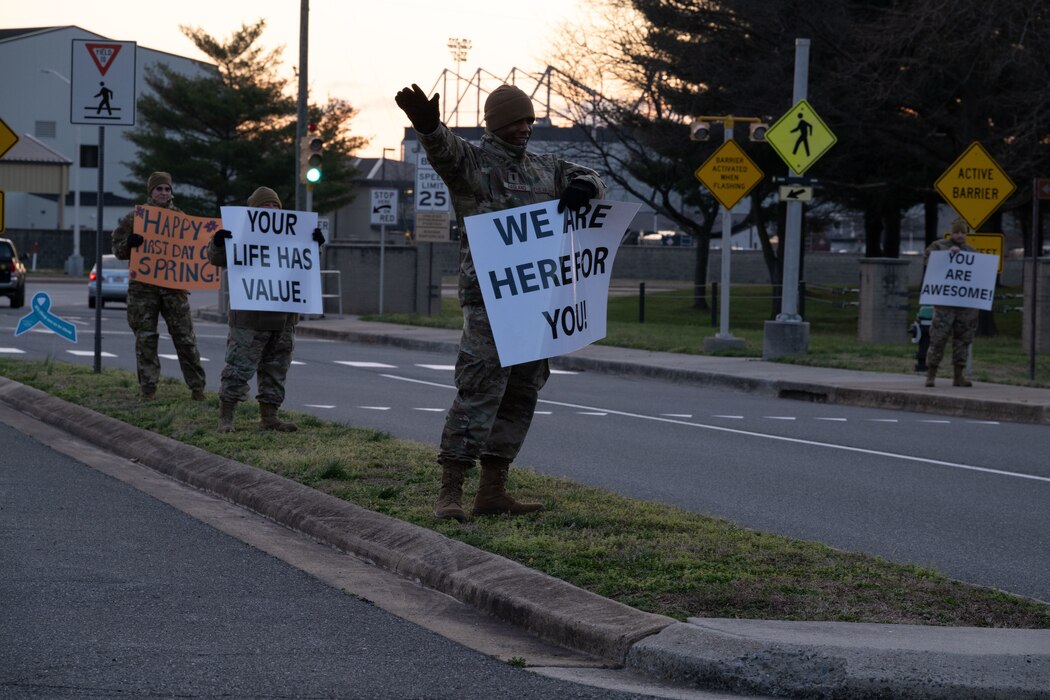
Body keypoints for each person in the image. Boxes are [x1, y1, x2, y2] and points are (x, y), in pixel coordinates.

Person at [395, 82, 606, 521]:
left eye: (529, 120)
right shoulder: (474, 165)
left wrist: (585, 186)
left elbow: (593, 178)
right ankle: (450, 491)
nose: (524, 128)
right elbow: (445, 152)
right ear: (495, 124)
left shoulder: (545, 168)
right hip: (489, 301)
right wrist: (430, 127)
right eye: (515, 120)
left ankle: (493, 490)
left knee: (521, 392)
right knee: (478, 390)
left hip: (536, 301)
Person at [206, 186, 325, 433]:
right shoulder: (238, 234)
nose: (271, 210)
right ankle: (226, 417)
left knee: (276, 368)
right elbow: (216, 258)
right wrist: (218, 243)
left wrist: (315, 244)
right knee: (239, 367)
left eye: (274, 206)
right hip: (249, 318)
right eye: (264, 207)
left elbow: (304, 264)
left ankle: (270, 417)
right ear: (253, 212)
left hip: (283, 317)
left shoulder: (292, 235)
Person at [111, 171, 207, 402]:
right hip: (143, 289)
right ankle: (149, 388)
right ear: (151, 192)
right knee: (145, 338)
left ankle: (197, 388)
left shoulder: (181, 219)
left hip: (174, 289)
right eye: (159, 189)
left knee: (185, 338)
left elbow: (196, 249)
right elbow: (117, 249)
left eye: (167, 189)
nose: (163, 193)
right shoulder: (136, 218)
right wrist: (129, 244)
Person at [922, 218, 979, 388]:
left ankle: (958, 376)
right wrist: (948, 253)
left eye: (962, 232)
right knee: (938, 339)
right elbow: (927, 257)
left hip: (965, 305)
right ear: (951, 233)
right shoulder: (939, 245)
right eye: (957, 232)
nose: (960, 235)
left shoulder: (972, 251)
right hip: (944, 304)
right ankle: (931, 375)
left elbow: (978, 273)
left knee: (963, 340)